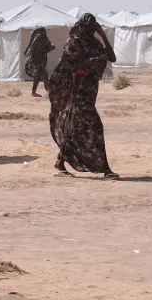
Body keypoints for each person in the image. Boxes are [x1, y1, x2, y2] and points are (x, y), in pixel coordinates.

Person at [47, 13, 119, 180]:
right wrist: (89, 63)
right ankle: (106, 169)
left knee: (76, 130)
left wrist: (104, 36)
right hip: (76, 93)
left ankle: (60, 161)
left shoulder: (94, 42)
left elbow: (112, 58)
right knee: (95, 128)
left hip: (89, 91)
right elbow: (66, 66)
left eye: (94, 27)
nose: (92, 30)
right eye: (90, 27)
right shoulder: (73, 42)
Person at [24, 27, 54, 97]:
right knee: (44, 74)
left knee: (37, 76)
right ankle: (48, 91)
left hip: (39, 60)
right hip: (38, 60)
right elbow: (49, 46)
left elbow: (49, 46)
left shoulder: (39, 38)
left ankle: (34, 92)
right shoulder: (41, 38)